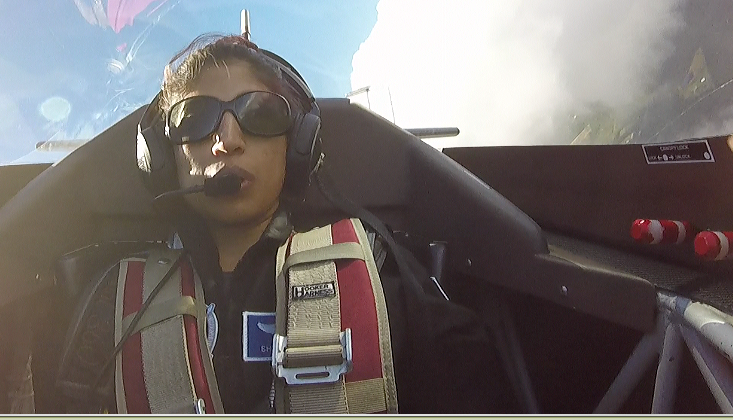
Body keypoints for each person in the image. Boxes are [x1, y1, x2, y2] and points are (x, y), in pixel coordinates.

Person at [35, 34, 514, 413]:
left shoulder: (376, 274)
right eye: (195, 118)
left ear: (298, 147)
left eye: (259, 114)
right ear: (161, 158)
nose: (227, 141)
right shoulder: (112, 300)